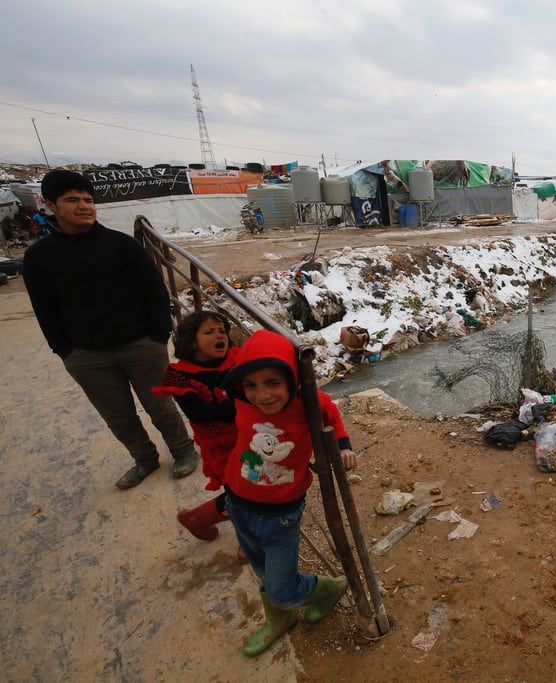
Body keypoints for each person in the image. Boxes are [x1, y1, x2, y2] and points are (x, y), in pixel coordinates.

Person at [22, 170, 199, 489]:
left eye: (88, 200)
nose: (84, 206)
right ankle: (144, 459)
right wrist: (64, 350)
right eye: (72, 200)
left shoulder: (122, 246)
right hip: (86, 355)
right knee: (117, 415)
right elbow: (45, 308)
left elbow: (155, 292)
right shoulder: (39, 258)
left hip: (140, 345)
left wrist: (157, 337)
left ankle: (183, 451)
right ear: (49, 204)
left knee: (160, 404)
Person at [221, 329, 355, 656]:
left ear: (292, 378)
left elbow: (331, 413)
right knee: (262, 570)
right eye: (251, 385)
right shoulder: (241, 401)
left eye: (272, 383)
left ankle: (327, 589)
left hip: (280, 514)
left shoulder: (306, 402)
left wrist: (343, 445)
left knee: (281, 588)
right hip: (237, 502)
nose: (261, 395)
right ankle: (280, 621)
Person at [152, 311, 241, 546]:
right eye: (209, 332)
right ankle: (249, 541)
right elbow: (199, 413)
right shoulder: (181, 375)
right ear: (192, 340)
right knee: (243, 493)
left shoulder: (237, 360)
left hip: (251, 436)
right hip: (221, 446)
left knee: (253, 488)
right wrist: (243, 404)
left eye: (222, 330)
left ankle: (198, 518)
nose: (218, 335)